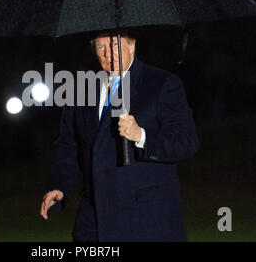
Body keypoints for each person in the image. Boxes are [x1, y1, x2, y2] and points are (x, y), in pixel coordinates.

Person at [40, 29, 200, 241]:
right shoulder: (82, 90)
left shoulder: (162, 84)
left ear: (132, 45)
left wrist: (141, 136)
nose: (109, 54)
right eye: (101, 47)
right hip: (94, 223)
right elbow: (69, 145)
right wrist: (59, 185)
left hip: (147, 222)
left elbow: (186, 142)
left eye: (115, 44)